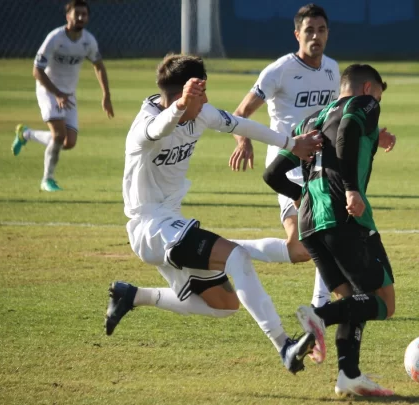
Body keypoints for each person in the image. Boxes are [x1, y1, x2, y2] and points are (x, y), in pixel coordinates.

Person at [104, 54, 327, 374]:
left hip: (171, 224)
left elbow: (241, 124)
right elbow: (158, 128)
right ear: (185, 94)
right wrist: (181, 105)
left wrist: (290, 143)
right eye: (200, 94)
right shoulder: (145, 127)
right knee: (236, 256)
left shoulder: (201, 114)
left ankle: (133, 295)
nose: (206, 100)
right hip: (151, 226)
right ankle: (284, 346)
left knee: (224, 306)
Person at [228, 4, 397, 310]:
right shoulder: (279, 71)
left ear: (328, 33)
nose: (315, 36)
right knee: (301, 245)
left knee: (317, 234)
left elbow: (341, 115)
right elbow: (241, 113)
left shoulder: (333, 69)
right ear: (297, 34)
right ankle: (230, 250)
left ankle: (322, 303)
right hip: (289, 166)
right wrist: (245, 141)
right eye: (309, 30)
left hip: (321, 164)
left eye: (321, 30)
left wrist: (372, 135)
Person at [263, 64, 395, 396]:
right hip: (344, 218)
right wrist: (351, 188)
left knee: (354, 298)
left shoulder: (309, 122)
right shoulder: (362, 105)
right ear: (367, 89)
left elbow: (273, 174)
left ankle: (348, 375)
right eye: (378, 96)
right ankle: (320, 317)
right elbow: (350, 127)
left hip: (310, 224)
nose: (377, 106)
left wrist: (299, 197)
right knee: (383, 302)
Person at [11, 0, 114, 191]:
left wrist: (106, 95)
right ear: (68, 17)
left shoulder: (88, 41)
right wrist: (57, 94)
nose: (81, 18)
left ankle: (26, 134)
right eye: (78, 14)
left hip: (68, 95)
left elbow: (98, 65)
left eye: (84, 14)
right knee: (58, 135)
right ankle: (47, 180)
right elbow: (37, 71)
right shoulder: (55, 38)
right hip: (48, 90)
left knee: (68, 142)